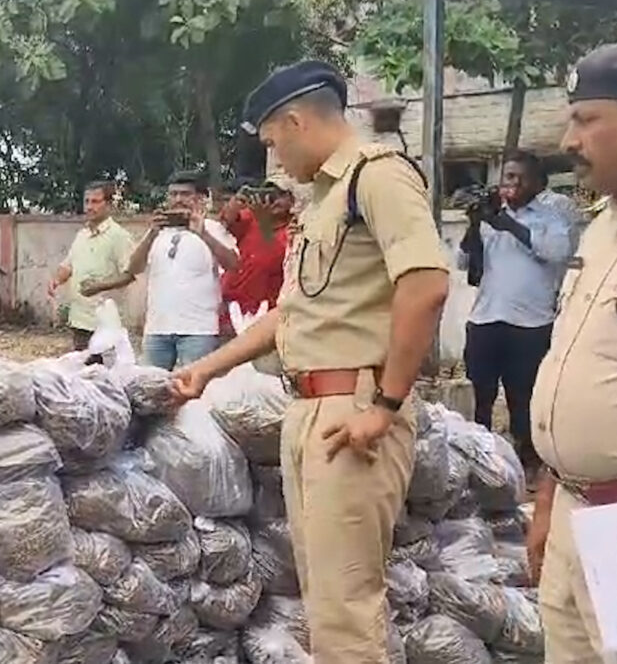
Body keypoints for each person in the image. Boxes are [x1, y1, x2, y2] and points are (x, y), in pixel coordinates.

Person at [171, 61, 449, 663]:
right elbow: (290, 315)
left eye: (272, 141)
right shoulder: (324, 201)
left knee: (347, 606)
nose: (273, 159)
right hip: (311, 407)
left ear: (296, 121)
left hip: (354, 410)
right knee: (324, 598)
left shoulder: (377, 177)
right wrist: (209, 369)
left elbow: (425, 284)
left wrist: (386, 405)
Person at [528, 40, 617, 664]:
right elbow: (569, 369)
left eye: (587, 119)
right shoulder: (601, 228)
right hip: (575, 509)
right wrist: (550, 498)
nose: (569, 140)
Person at [458, 150, 576, 479]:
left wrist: (508, 225)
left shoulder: (552, 216)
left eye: (519, 177)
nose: (511, 183)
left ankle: (526, 461)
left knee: (522, 395)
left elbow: (558, 252)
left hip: (530, 324)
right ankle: (478, 458)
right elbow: (466, 266)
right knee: (481, 393)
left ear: (539, 184)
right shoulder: (490, 215)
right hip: (485, 319)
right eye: (507, 176)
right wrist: (474, 224)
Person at [93, 170, 239, 370]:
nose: (178, 199)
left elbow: (233, 264)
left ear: (201, 198)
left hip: (198, 330)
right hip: (157, 329)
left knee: (196, 391)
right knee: (150, 389)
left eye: (185, 194)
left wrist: (202, 233)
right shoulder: (158, 232)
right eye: (173, 194)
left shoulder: (213, 229)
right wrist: (152, 233)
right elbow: (133, 268)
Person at [47, 181, 134, 355]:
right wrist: (56, 280)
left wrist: (99, 286)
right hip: (80, 321)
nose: (89, 207)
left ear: (108, 204)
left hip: (106, 325)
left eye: (95, 201)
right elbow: (68, 266)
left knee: (106, 378)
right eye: (86, 201)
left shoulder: (119, 237)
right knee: (82, 377)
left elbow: (130, 275)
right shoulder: (82, 235)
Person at [218, 175, 293, 336]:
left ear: (292, 200)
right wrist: (239, 198)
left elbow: (277, 255)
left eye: (280, 195)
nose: (274, 200)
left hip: (266, 313)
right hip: (233, 308)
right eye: (269, 194)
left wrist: (264, 221)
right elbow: (226, 219)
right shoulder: (251, 218)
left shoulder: (294, 228)